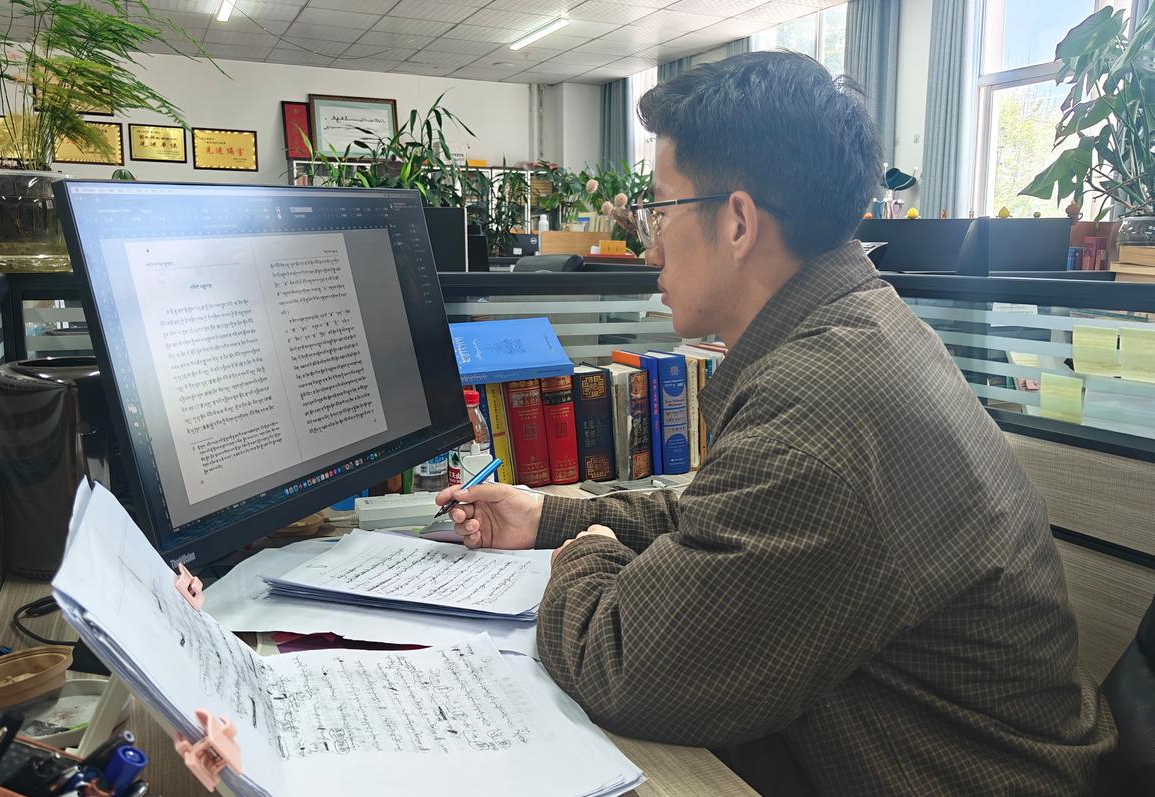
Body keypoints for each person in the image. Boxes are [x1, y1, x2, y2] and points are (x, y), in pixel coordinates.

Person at [435, 51, 1114, 796]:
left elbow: (624, 666)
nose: (646, 245)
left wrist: (584, 557)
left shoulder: (822, 403)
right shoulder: (857, 329)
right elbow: (724, 523)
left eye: (660, 210)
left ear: (737, 221)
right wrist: (550, 518)